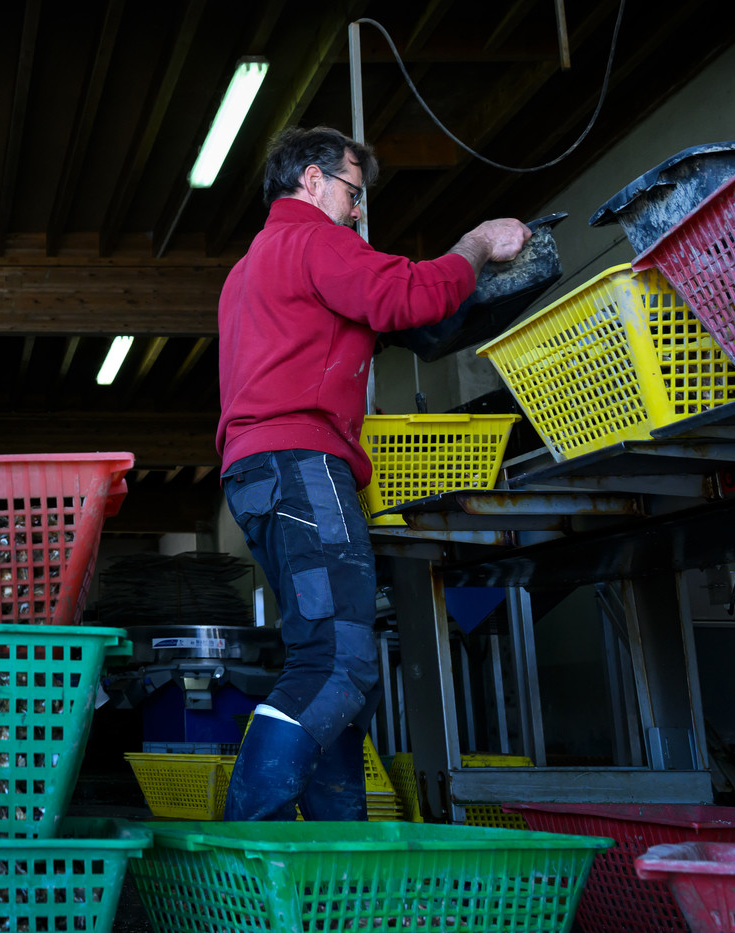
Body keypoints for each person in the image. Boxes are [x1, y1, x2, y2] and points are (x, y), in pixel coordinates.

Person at [216, 126, 529, 821]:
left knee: (331, 676)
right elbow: (407, 298)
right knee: (339, 666)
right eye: (354, 195)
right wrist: (475, 246)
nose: (359, 212)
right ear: (313, 181)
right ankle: (243, 847)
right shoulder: (314, 239)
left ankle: (339, 884)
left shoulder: (250, 269)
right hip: (303, 466)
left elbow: (363, 326)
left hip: (259, 475)